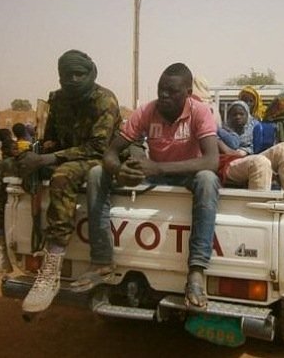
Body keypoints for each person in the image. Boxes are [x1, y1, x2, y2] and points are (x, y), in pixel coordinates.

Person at [0, 49, 121, 315]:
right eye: (67, 75)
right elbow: (50, 138)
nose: (74, 80)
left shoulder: (104, 100)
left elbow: (98, 147)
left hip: (97, 159)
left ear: (91, 73)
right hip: (60, 156)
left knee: (62, 176)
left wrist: (47, 161)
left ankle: (52, 268)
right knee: (0, 170)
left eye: (79, 74)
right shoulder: (57, 101)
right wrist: (36, 156)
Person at [82, 63, 219, 309]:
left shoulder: (200, 112)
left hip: (184, 175)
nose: (164, 95)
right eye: (160, 89)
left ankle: (196, 271)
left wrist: (158, 168)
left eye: (172, 91)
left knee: (207, 179)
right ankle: (101, 260)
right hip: (154, 175)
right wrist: (120, 170)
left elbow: (211, 160)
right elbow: (110, 154)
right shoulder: (146, 111)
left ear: (188, 93)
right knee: (96, 173)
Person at [217, 100, 284, 190]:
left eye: (241, 114)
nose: (238, 117)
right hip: (228, 164)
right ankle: (259, 203)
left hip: (250, 158)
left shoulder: (254, 129)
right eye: (234, 115)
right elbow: (229, 152)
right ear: (228, 117)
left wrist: (245, 152)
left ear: (248, 116)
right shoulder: (222, 131)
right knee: (260, 162)